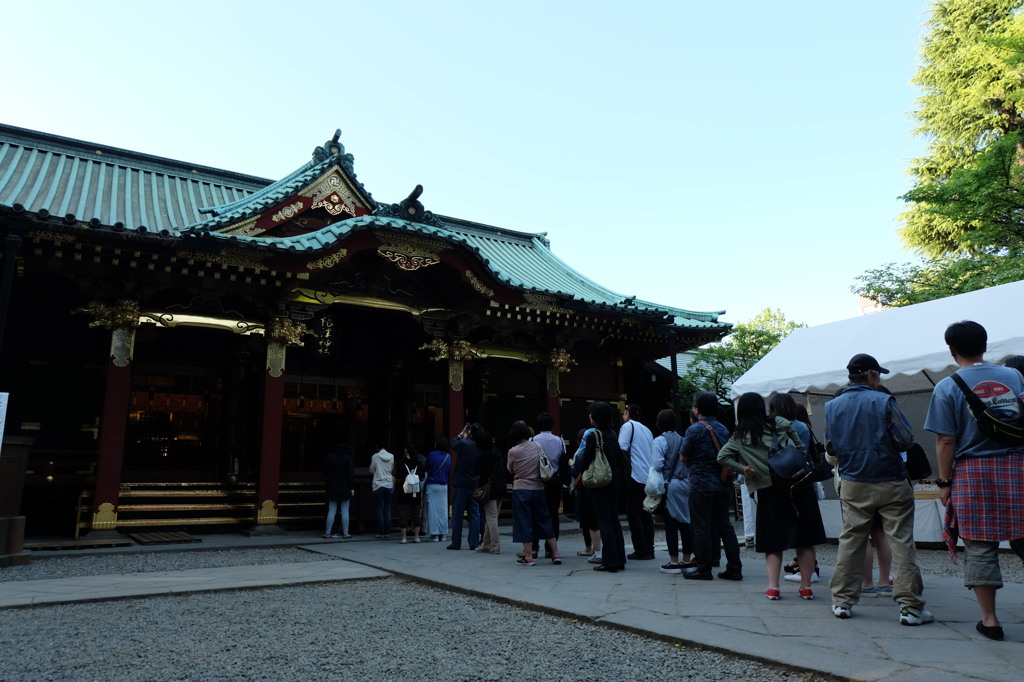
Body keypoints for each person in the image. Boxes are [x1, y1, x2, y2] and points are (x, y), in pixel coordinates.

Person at [924, 322, 1024, 640]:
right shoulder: (1014, 376)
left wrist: (944, 482)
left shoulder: (947, 386)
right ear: (985, 344)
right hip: (1018, 466)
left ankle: (991, 620)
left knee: (980, 545)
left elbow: (945, 441)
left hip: (972, 473)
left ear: (951, 350)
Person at [825, 353, 931, 625]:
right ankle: (909, 607)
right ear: (871, 374)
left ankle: (842, 602)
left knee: (851, 540)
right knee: (901, 542)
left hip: (853, 483)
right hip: (891, 480)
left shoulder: (832, 406)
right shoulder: (884, 400)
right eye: (878, 374)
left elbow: (830, 448)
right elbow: (905, 439)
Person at [719, 392, 824, 600]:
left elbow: (722, 456)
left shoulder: (739, 436)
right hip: (797, 485)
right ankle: (806, 587)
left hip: (768, 491)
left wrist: (743, 468)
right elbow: (802, 449)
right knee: (804, 540)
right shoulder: (781, 423)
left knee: (773, 542)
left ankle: (773, 588)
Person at [683, 391, 742, 581]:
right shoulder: (724, 429)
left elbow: (684, 457)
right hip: (722, 483)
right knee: (725, 526)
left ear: (697, 410)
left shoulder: (694, 430)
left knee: (701, 526)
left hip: (701, 483)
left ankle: (704, 567)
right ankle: (734, 567)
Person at [770, 394, 821, 586]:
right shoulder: (802, 426)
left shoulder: (774, 427)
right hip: (804, 480)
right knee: (806, 533)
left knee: (782, 533)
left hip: (781, 483)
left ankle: (774, 585)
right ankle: (808, 574)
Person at [578, 401, 628, 572]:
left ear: (595, 417)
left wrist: (577, 471)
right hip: (615, 482)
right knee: (614, 521)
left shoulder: (594, 436)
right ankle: (620, 558)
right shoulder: (613, 434)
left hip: (600, 483)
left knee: (604, 521)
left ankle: (610, 561)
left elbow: (586, 459)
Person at [507, 420, 562, 566]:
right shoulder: (536, 446)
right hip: (538, 488)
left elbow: (510, 469)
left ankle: (529, 556)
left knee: (524, 522)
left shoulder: (513, 451)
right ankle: (555, 553)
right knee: (544, 520)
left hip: (521, 488)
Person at [653, 409, 695, 574]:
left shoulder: (660, 441)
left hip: (669, 485)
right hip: (685, 483)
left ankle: (674, 561)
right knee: (685, 522)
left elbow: (657, 464)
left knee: (671, 523)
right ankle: (687, 559)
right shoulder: (683, 439)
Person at [620, 404, 656, 561]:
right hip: (647, 477)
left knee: (634, 514)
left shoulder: (628, 426)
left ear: (627, 413)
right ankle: (650, 548)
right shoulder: (647, 430)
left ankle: (641, 549)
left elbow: (622, 448)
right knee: (646, 514)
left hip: (634, 475)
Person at [531, 412, 566, 558]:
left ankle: (534, 547)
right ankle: (550, 548)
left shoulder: (532, 439)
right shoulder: (559, 440)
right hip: (554, 481)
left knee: (535, 514)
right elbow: (563, 460)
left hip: (538, 481)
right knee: (553, 514)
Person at [448, 423, 484, 550]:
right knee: (474, 514)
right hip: (474, 483)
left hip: (461, 483)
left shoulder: (464, 444)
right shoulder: (481, 446)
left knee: (457, 515)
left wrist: (461, 434)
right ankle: (474, 542)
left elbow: (452, 443)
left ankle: (456, 542)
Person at [570, 427, 603, 564]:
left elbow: (577, 471)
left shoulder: (581, 453)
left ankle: (592, 549)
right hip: (601, 487)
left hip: (585, 489)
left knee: (588, 521)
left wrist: (571, 465)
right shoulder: (602, 450)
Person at [475, 429, 505, 554]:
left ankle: (495, 545)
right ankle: (486, 544)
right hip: (500, 486)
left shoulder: (483, 455)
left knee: (491, 517)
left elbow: (476, 471)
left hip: (488, 488)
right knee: (492, 516)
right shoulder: (496, 452)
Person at [392, 444, 424, 543]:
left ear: (406, 451)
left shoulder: (401, 463)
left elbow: (397, 476)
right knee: (416, 515)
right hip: (415, 491)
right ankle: (416, 536)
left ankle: (404, 537)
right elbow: (422, 476)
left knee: (403, 514)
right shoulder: (419, 462)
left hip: (404, 491)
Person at [323, 443, 354, 539]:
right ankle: (346, 533)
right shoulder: (348, 458)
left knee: (332, 510)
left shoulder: (330, 457)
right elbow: (350, 475)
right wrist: (351, 487)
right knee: (345, 511)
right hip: (345, 487)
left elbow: (325, 472)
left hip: (332, 487)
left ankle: (327, 532)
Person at [424, 436, 451, 542]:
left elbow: (427, 467)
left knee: (433, 511)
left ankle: (434, 534)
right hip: (444, 485)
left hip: (433, 484)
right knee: (443, 510)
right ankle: (443, 534)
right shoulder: (448, 456)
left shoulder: (432, 455)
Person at [368, 442, 396, 539]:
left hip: (378, 484)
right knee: (387, 508)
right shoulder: (391, 456)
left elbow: (371, 470)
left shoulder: (375, 456)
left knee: (379, 508)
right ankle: (387, 532)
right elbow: (392, 469)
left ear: (377, 447)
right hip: (388, 484)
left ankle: (381, 532)